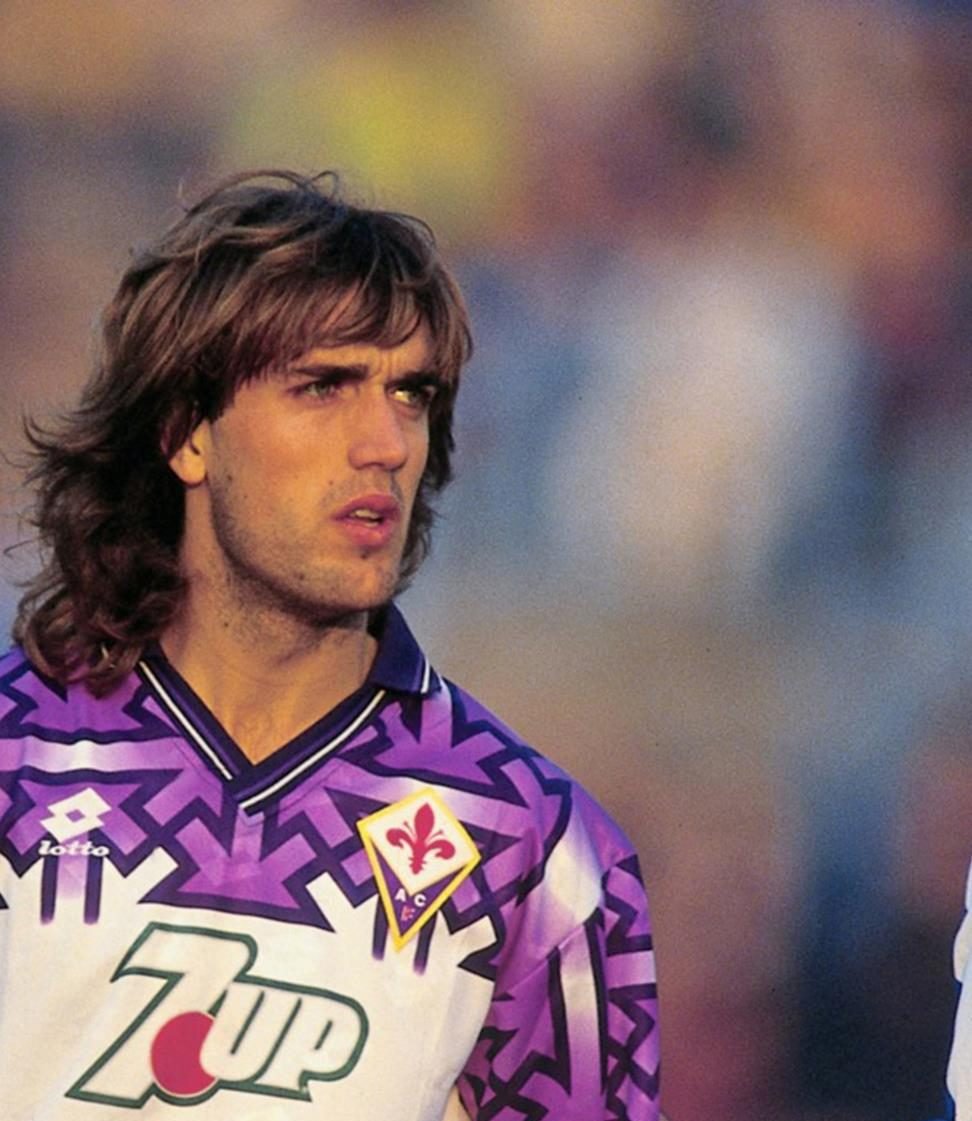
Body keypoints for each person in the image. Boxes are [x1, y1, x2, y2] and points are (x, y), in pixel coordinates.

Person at [0, 170, 661, 1120]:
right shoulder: (17, 765)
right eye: (323, 386)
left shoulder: (533, 851)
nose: (386, 443)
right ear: (186, 434)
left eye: (411, 394)